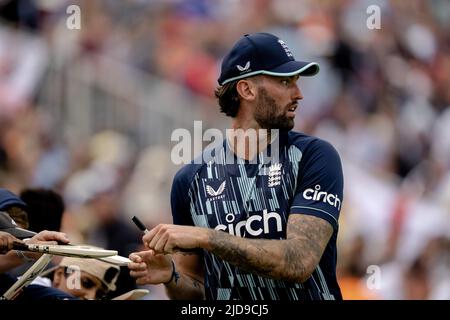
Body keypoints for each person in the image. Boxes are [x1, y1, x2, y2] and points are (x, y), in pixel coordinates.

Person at [128, 32, 344, 300]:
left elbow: (299, 261)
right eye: (286, 81)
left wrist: (206, 237)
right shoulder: (190, 179)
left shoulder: (315, 156)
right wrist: (171, 277)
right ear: (247, 90)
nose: (299, 94)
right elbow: (196, 291)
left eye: (297, 82)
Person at [35, 255, 120, 300]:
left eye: (100, 295)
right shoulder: (26, 289)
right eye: (86, 283)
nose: (91, 297)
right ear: (59, 274)